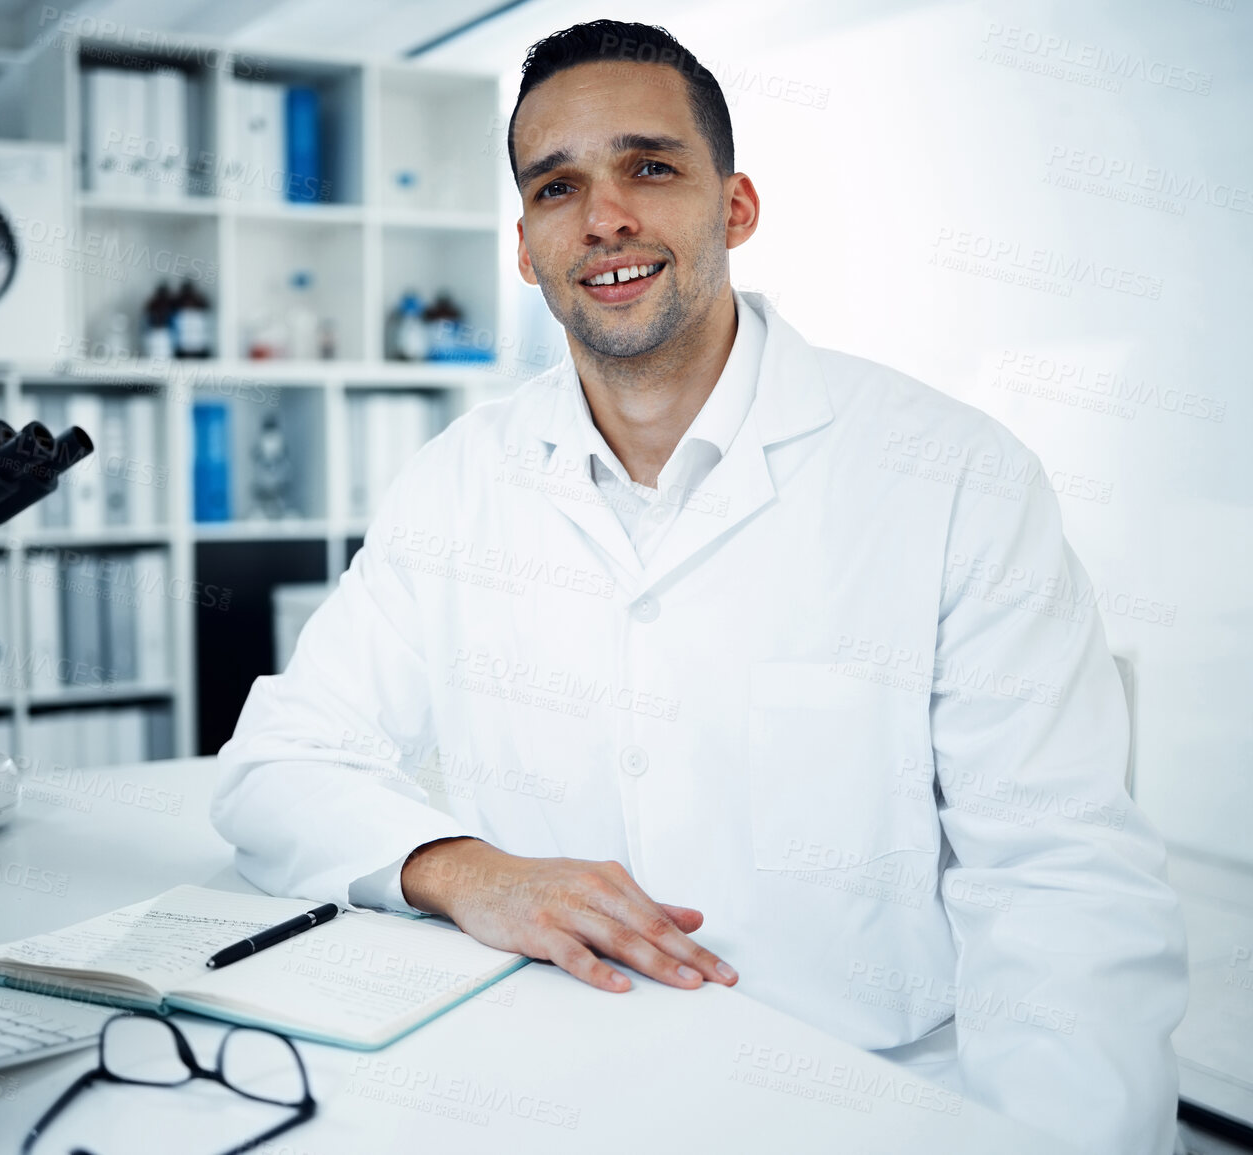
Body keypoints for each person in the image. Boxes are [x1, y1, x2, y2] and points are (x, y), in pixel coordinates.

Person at [212, 20, 1187, 1154]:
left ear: (737, 207)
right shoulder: (459, 485)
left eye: (651, 167)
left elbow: (1059, 884)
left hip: (855, 1101)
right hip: (541, 1087)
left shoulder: (952, 475)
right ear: (526, 247)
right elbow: (277, 767)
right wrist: (466, 871)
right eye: (557, 186)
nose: (605, 217)